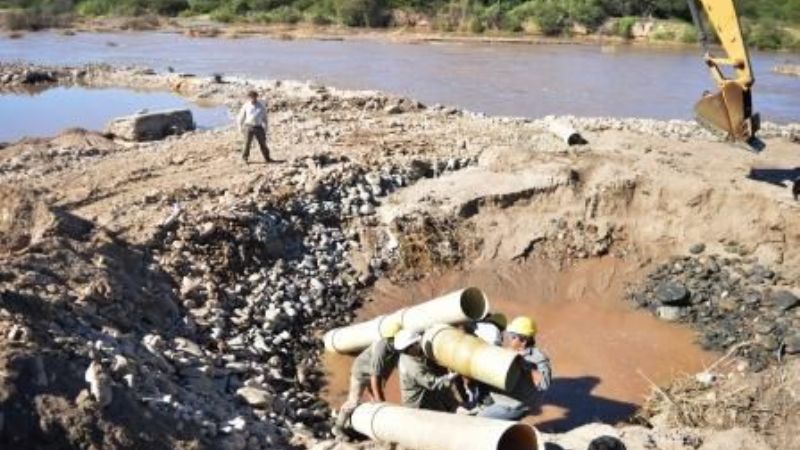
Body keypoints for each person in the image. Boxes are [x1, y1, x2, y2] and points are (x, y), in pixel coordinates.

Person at [333, 319, 401, 437]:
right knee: (353, 401)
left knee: (375, 401)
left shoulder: (396, 346)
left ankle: (371, 427)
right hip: (360, 373)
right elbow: (375, 377)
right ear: (392, 338)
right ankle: (338, 427)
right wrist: (381, 401)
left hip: (372, 373)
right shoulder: (382, 348)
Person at [477, 315, 551, 421]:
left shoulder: (538, 358)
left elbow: (544, 385)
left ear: (523, 340)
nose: (509, 339)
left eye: (512, 337)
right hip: (498, 396)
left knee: (480, 420)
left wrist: (525, 366)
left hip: (512, 405)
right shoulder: (510, 350)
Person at [395, 329, 459, 412]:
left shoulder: (404, 356)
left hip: (422, 397)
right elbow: (434, 384)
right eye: (416, 344)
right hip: (419, 406)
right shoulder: (414, 369)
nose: (419, 345)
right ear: (410, 347)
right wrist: (452, 376)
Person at [237, 90, 272, 164]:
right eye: (251, 97)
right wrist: (240, 126)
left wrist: (266, 127)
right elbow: (241, 117)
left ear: (256, 97)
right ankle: (244, 158)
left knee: (263, 143)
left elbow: (265, 118)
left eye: (254, 97)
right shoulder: (246, 106)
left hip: (259, 127)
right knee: (247, 143)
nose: (253, 98)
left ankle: (267, 158)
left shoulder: (261, 106)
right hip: (248, 127)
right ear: (249, 97)